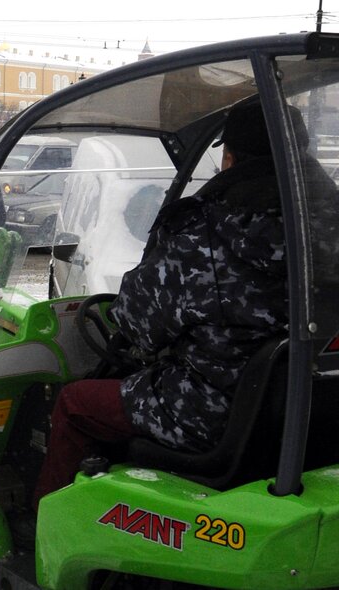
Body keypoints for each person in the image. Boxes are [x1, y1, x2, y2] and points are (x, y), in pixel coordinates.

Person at [32, 102, 302, 505]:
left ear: (229, 158)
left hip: (209, 414)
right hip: (303, 411)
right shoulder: (318, 226)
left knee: (74, 404)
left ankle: (40, 528)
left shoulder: (206, 234)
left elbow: (133, 321)